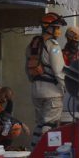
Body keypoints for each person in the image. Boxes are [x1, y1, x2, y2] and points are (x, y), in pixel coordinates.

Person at [25, 12, 67, 147]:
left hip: (36, 91)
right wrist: (65, 87)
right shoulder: (53, 45)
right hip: (52, 93)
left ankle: (33, 151)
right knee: (50, 125)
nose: (59, 30)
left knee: (40, 124)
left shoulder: (33, 44)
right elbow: (59, 70)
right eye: (56, 27)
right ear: (48, 28)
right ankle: (46, 153)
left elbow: (27, 69)